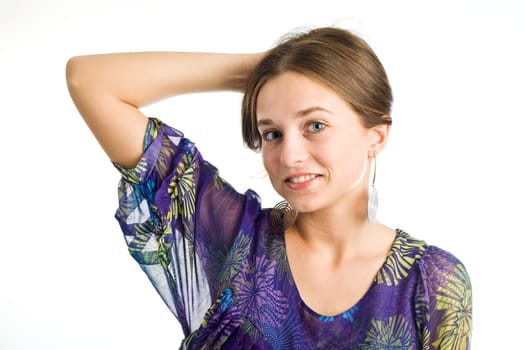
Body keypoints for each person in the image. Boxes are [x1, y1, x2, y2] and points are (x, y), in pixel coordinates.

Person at [66, 27, 472, 349]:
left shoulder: (431, 282)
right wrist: (260, 68)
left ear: (376, 136)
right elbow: (89, 81)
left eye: (315, 125)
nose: (289, 155)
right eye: (273, 133)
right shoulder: (234, 238)